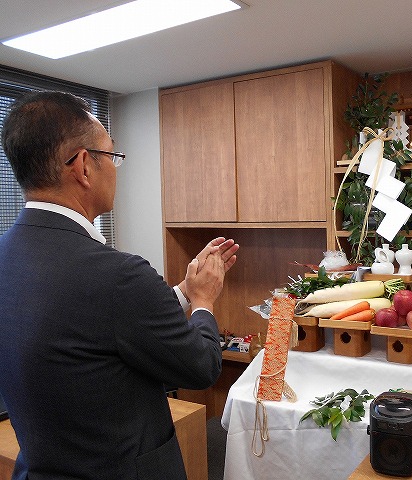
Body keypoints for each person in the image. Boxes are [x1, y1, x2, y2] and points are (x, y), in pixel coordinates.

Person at [0, 91, 239, 480]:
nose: (116, 167)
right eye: (112, 156)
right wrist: (203, 300)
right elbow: (202, 366)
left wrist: (181, 291)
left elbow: (100, 328)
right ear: (83, 167)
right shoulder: (116, 275)